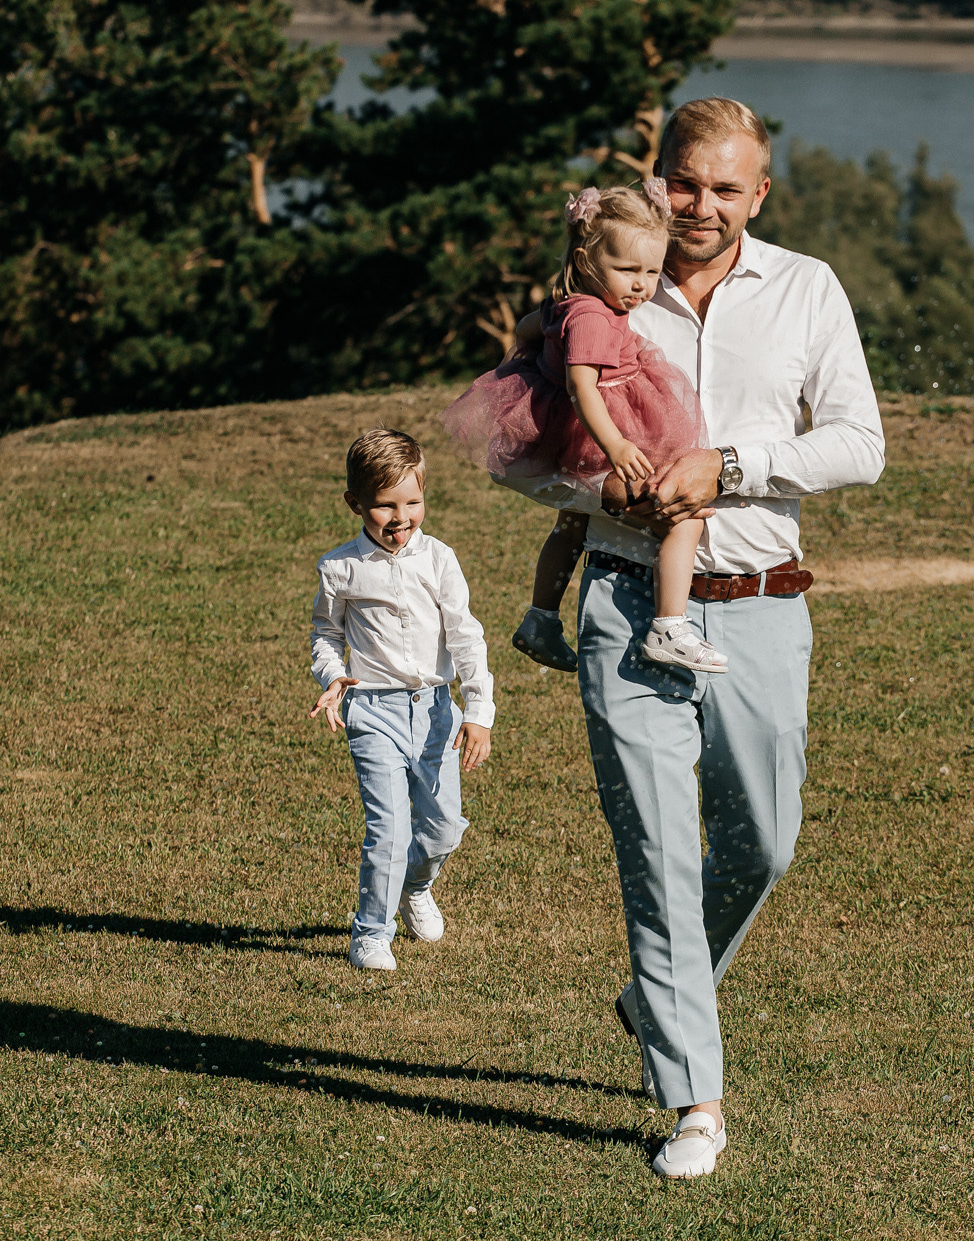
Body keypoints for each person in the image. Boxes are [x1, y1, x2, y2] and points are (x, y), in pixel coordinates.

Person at [496, 98, 885, 1178]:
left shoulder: (806, 288)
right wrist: (597, 479)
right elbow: (517, 453)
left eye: (726, 188)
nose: (700, 206)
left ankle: (655, 997)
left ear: (759, 195)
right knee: (657, 859)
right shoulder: (598, 294)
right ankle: (695, 1103)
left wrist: (730, 465)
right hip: (625, 605)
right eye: (683, 181)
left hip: (763, 599)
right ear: (654, 175)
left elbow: (860, 444)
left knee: (761, 840)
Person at [441, 181, 727, 676]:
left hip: (570, 434)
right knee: (685, 514)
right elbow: (582, 388)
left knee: (572, 523)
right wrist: (614, 442)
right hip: (595, 436)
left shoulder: (568, 303)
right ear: (586, 259)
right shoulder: (594, 317)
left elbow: (527, 329)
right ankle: (670, 626)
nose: (641, 285)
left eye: (652, 272)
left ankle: (541, 618)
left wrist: (536, 358)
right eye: (627, 270)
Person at [310, 428, 494, 973]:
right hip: (373, 713)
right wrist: (333, 675)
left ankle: (416, 885)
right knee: (386, 829)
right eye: (385, 505)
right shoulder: (340, 567)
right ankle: (371, 933)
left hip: (437, 712)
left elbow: (465, 635)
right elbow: (326, 632)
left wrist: (478, 712)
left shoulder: (439, 559)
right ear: (356, 504)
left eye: (412, 502)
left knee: (443, 829)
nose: (401, 517)